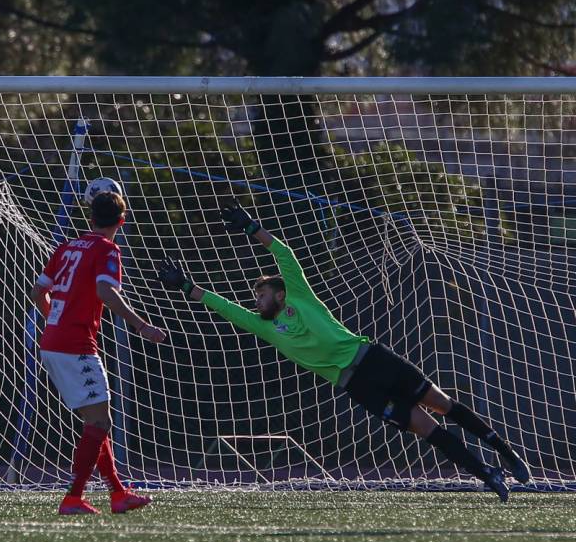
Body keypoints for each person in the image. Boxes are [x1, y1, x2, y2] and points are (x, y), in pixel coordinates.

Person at [157, 202, 531, 502]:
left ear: (280, 294)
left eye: (261, 293)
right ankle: (487, 475)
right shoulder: (264, 326)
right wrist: (186, 286)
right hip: (357, 385)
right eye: (256, 297)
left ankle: (506, 452)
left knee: (443, 404)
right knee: (425, 428)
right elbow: (225, 307)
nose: (257, 300)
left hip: (373, 358)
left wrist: (253, 228)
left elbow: (285, 255)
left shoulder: (298, 296)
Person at [31, 187, 166, 515]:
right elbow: (105, 290)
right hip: (76, 345)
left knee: (97, 421)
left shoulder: (66, 247)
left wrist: (55, 321)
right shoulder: (108, 249)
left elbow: (38, 292)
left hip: (53, 341)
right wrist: (141, 325)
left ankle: (118, 494)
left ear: (91, 217)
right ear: (123, 219)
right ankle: (73, 497)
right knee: (100, 421)